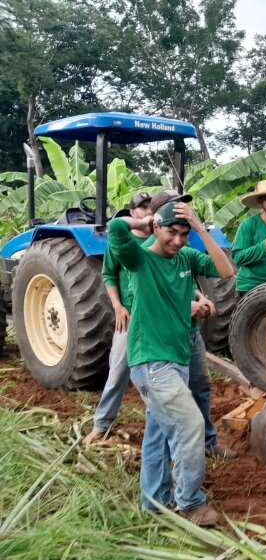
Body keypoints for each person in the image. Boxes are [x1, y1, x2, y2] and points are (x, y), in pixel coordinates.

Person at [107, 200, 234, 526]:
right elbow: (115, 228)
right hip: (151, 361)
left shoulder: (186, 258)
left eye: (183, 234)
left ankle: (153, 503)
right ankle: (190, 502)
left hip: (175, 357)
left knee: (159, 432)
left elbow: (225, 270)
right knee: (190, 424)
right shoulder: (140, 259)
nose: (178, 240)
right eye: (171, 232)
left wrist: (200, 228)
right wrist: (148, 220)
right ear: (156, 229)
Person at [84, 191, 154, 445]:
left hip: (158, 320)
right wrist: (116, 306)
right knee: (118, 372)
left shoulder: (164, 240)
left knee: (160, 377)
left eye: (151, 206)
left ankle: (163, 429)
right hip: (130, 316)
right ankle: (102, 425)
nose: (148, 211)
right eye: (142, 207)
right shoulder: (121, 242)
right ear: (133, 213)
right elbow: (109, 275)